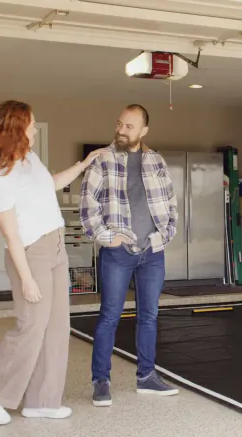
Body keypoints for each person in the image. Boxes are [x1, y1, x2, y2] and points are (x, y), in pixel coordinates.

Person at [0, 100, 106, 425]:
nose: (33, 127)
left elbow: (52, 184)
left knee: (57, 328)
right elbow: (11, 236)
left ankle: (42, 401)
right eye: (30, 124)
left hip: (55, 246)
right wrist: (27, 278)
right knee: (31, 326)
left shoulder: (29, 158)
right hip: (30, 253)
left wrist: (84, 163)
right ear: (15, 128)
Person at [80, 104, 179, 407]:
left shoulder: (156, 161)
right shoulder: (102, 161)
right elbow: (88, 210)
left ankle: (146, 377)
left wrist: (162, 237)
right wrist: (110, 238)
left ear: (143, 131)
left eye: (129, 126)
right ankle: (101, 381)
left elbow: (171, 207)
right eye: (120, 123)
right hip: (117, 253)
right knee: (109, 316)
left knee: (149, 317)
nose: (122, 130)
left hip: (152, 252)